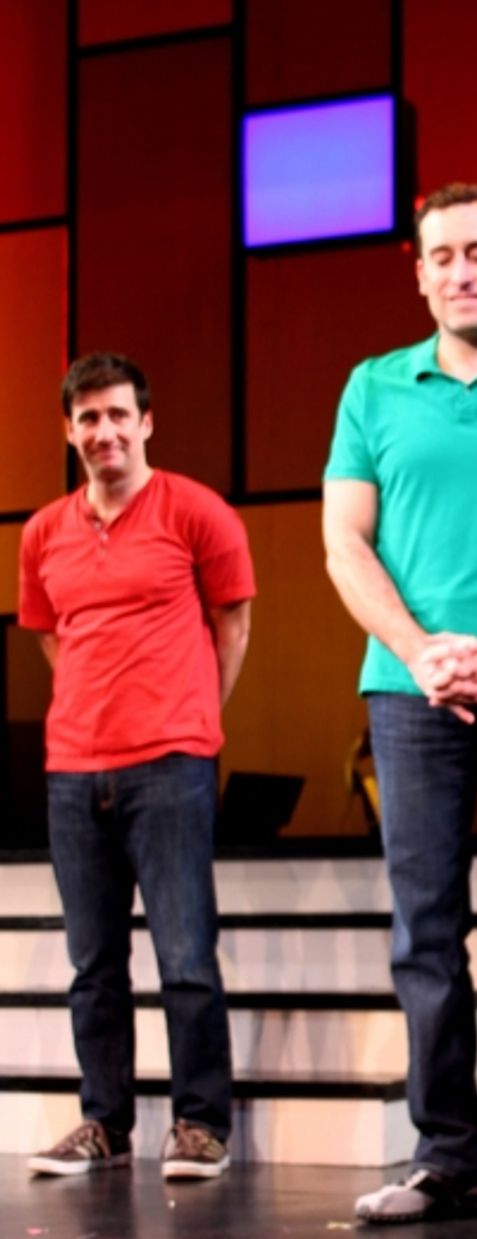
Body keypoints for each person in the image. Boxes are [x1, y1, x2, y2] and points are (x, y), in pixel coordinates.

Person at [323, 183, 477, 1225]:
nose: (460, 270)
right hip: (409, 692)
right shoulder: (374, 387)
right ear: (418, 273)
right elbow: (344, 542)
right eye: (441, 255)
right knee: (427, 927)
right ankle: (447, 1153)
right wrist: (422, 653)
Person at [20, 351, 256, 1180]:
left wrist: (191, 718)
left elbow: (233, 625)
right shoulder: (44, 531)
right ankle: (104, 1121)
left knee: (186, 954)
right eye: (88, 418)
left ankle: (199, 1124)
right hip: (73, 769)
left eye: (119, 414)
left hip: (172, 765)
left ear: (146, 421)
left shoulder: (196, 511)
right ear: (70, 431)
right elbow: (55, 636)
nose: (104, 430)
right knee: (93, 963)